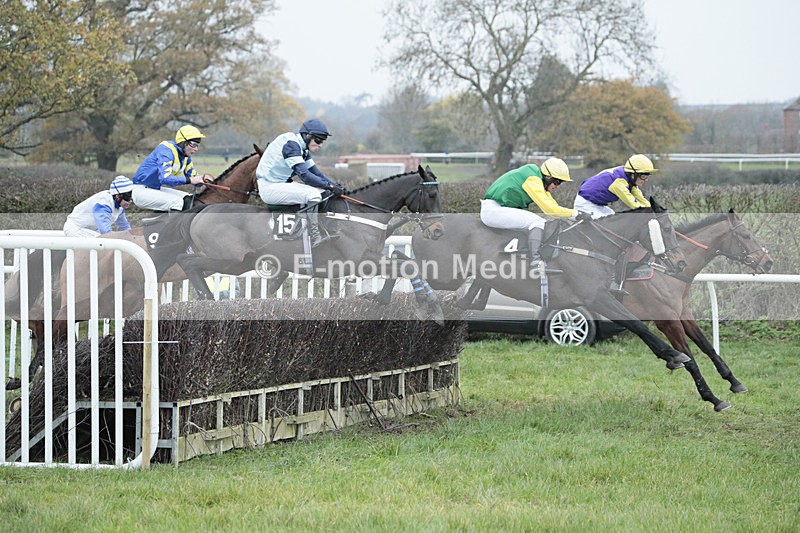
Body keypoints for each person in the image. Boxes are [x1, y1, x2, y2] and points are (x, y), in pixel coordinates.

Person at [480, 158, 591, 269]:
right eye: (557, 182)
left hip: (498, 209)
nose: (558, 187)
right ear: (548, 177)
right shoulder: (533, 179)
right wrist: (576, 214)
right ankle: (536, 262)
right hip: (493, 211)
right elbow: (550, 210)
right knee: (537, 222)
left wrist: (573, 218)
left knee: (541, 223)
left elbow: (554, 208)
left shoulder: (537, 178)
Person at [256, 118, 346, 247]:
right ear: (308, 136)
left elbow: (316, 173)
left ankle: (328, 231)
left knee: (325, 193)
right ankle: (315, 236)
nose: (320, 145)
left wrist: (334, 186)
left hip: (281, 184)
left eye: (322, 141)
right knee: (313, 195)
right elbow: (305, 176)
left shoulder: (302, 148)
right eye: (318, 140)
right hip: (269, 187)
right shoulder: (291, 146)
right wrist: (330, 186)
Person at [131, 125, 214, 212]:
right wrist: (190, 180)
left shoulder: (186, 157)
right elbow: (165, 178)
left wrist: (204, 180)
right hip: (140, 191)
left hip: (155, 189)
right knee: (177, 202)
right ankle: (175, 226)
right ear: (183, 143)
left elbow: (194, 179)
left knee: (189, 199)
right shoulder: (166, 150)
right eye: (193, 145)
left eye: (197, 145)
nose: (196, 149)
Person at [573, 154, 657, 219]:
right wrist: (651, 214)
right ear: (633, 174)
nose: (646, 180)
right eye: (643, 176)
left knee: (615, 221)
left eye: (647, 176)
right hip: (585, 204)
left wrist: (654, 210)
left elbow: (640, 197)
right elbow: (634, 204)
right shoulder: (619, 183)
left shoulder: (629, 178)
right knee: (607, 226)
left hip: (598, 205)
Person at [64, 176, 135, 237]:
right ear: (117, 196)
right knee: (106, 243)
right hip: (76, 229)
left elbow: (124, 227)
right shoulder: (103, 204)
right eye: (127, 198)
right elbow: (106, 232)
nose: (130, 201)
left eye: (132, 197)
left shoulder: (119, 206)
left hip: (90, 230)